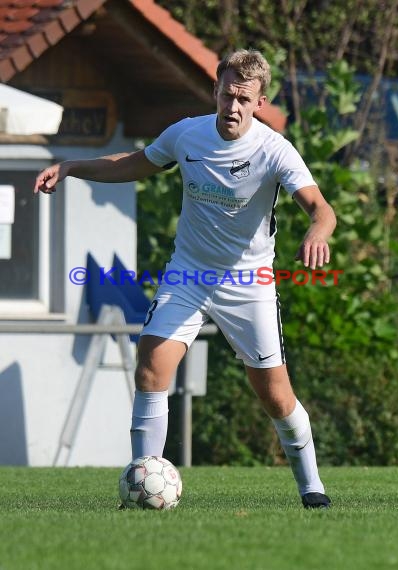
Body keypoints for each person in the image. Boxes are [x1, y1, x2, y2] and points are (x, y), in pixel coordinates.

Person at [34, 49, 336, 509]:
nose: (232, 107)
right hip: (188, 275)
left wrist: (318, 232)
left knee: (275, 395)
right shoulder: (187, 134)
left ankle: (311, 486)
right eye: (227, 94)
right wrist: (73, 168)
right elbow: (135, 163)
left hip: (248, 282)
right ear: (215, 90)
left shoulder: (274, 149)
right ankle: (142, 484)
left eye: (243, 99)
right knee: (152, 365)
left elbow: (321, 208)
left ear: (259, 102)